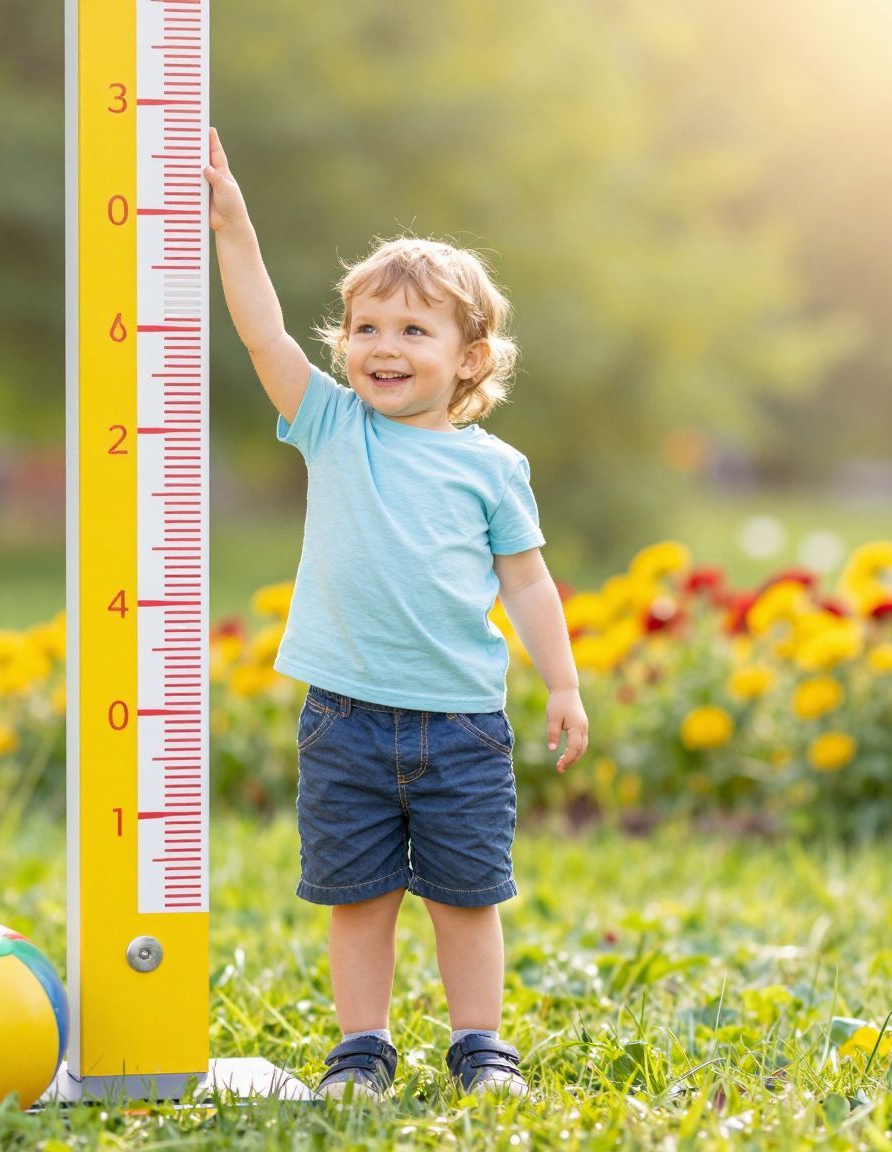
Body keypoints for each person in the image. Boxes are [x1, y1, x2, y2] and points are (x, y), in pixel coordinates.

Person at [204, 128, 589, 1100]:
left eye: (414, 331)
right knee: (359, 896)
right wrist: (233, 226)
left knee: (466, 898)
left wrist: (563, 683)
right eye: (366, 327)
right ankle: (361, 1049)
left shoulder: (492, 468)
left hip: (462, 725)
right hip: (344, 719)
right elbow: (262, 335)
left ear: (469, 358)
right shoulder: (331, 424)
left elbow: (528, 583)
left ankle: (480, 1047)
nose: (383, 347)